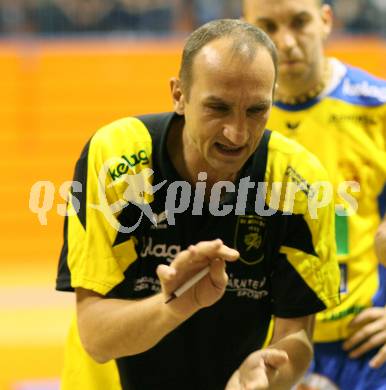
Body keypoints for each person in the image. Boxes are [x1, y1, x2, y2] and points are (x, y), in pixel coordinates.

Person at [56, 19, 340, 390]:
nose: (237, 133)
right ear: (179, 95)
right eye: (218, 108)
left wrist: (268, 378)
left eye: (256, 110)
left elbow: (297, 334)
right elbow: (96, 337)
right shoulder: (117, 159)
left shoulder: (298, 181)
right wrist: (178, 303)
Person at [243, 0, 386, 388]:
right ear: (248, 31)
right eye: (268, 26)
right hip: (269, 345)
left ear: (326, 20)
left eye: (299, 22)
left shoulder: (377, 106)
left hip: (365, 348)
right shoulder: (236, 122)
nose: (286, 41)